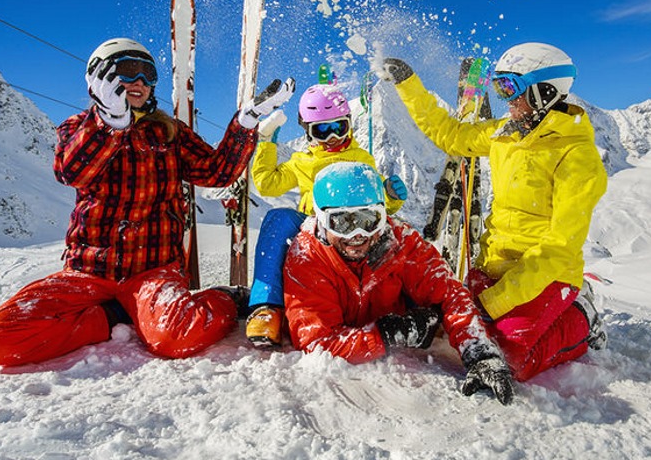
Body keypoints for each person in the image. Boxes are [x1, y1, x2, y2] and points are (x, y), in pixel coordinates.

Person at [0, 38, 294, 366]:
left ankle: (225, 298)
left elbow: (217, 172)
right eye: (126, 71)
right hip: (88, 270)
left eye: (147, 74)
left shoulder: (168, 133)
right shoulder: (78, 128)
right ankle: (115, 314)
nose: (139, 82)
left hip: (154, 271)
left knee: (177, 337)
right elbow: (72, 171)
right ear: (98, 78)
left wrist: (246, 122)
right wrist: (111, 124)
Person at [376, 42, 608, 382]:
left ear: (546, 91)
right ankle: (507, 312)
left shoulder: (576, 157)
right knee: (459, 335)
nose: (506, 98)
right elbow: (450, 135)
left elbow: (559, 250)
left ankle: (581, 317)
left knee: (510, 361)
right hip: (495, 264)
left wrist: (493, 303)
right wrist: (408, 84)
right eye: (499, 87)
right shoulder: (505, 135)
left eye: (511, 87)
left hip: (544, 277)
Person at [282, 162, 515, 404]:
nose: (357, 235)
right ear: (320, 220)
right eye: (342, 223)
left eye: (368, 220)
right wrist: (390, 334)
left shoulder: (400, 241)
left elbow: (450, 292)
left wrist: (479, 352)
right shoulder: (307, 257)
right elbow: (317, 342)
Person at [245, 84, 407, 347]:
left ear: (349, 124)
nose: (331, 137)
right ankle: (266, 308)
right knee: (279, 219)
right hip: (313, 228)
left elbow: (379, 206)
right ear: (307, 132)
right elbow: (267, 184)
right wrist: (266, 144)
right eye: (321, 130)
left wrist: (391, 196)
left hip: (352, 229)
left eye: (338, 127)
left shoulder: (361, 159)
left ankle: (399, 299)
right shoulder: (302, 161)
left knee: (394, 229)